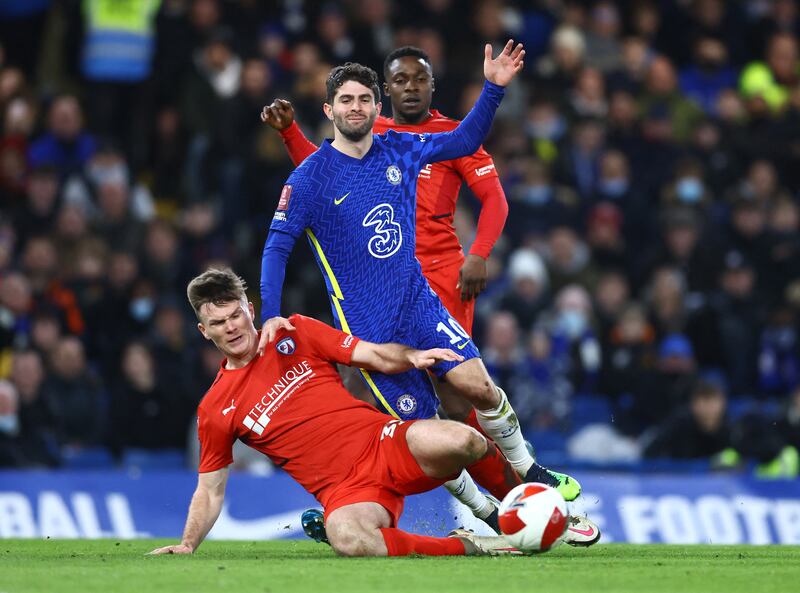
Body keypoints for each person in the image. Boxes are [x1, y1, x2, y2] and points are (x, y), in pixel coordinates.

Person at [148, 268, 599, 557]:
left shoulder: (297, 332)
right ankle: (478, 546)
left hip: (384, 442)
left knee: (463, 440)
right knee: (348, 537)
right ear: (204, 332)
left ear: (250, 310)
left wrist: (412, 357)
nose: (231, 328)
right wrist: (188, 545)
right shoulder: (215, 407)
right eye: (218, 323)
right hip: (345, 492)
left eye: (235, 316)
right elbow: (210, 490)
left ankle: (524, 506)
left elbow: (371, 354)